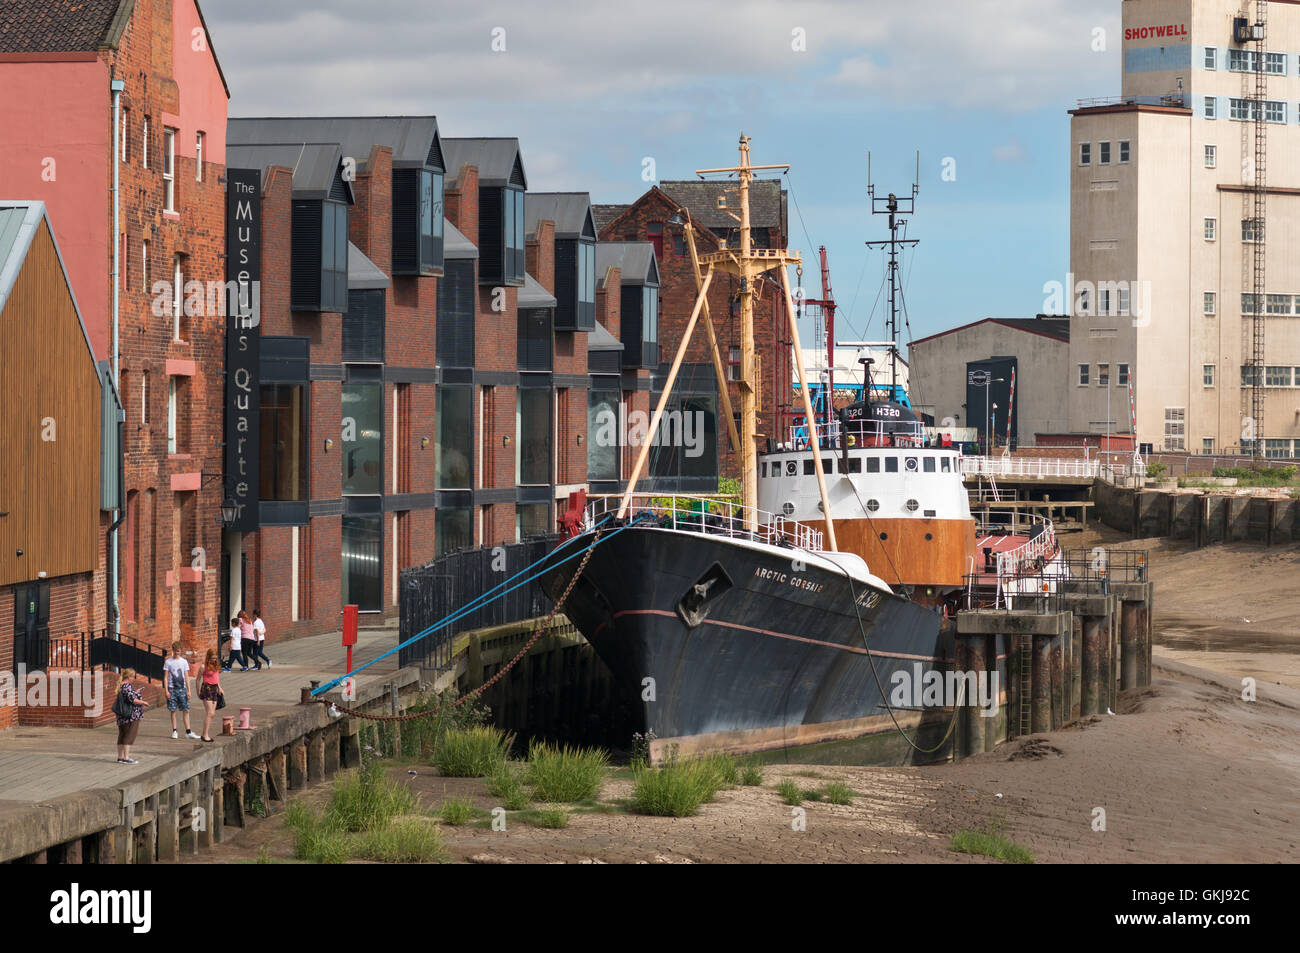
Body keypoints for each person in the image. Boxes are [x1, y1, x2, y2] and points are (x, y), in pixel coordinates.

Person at [163, 642, 200, 740]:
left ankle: (188, 731)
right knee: (173, 710)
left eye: (178, 651)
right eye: (175, 651)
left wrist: (189, 690)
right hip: (172, 689)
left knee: (186, 709)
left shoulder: (183, 662)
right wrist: (166, 690)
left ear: (180, 651)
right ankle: (174, 730)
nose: (177, 653)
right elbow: (166, 677)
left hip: (182, 689)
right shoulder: (168, 662)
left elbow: (186, 677)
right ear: (173, 650)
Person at [114, 668, 148, 764]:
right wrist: (143, 702)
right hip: (130, 715)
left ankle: (120, 757)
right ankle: (126, 757)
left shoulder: (121, 686)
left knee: (122, 735)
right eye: (133, 677)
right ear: (129, 677)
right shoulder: (127, 686)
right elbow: (133, 700)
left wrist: (135, 692)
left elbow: (128, 697)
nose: (134, 679)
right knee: (129, 735)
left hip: (121, 716)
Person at [195, 648, 224, 743]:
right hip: (207, 688)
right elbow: (198, 679)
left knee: (212, 713)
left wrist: (220, 687)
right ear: (208, 657)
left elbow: (216, 677)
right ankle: (205, 735)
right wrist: (197, 692)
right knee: (210, 713)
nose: (214, 660)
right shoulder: (203, 666)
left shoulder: (216, 664)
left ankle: (205, 734)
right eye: (212, 658)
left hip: (215, 688)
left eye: (215, 658)